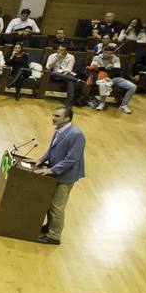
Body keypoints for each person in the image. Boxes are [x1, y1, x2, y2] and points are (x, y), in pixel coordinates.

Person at [33, 105, 86, 245]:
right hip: (56, 172)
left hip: (66, 176)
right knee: (50, 203)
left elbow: (72, 158)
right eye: (53, 115)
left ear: (67, 118)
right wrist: (40, 160)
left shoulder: (76, 134)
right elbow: (52, 150)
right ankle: (49, 228)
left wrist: (52, 170)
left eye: (57, 116)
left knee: (57, 207)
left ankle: (54, 237)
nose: (53, 118)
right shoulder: (59, 130)